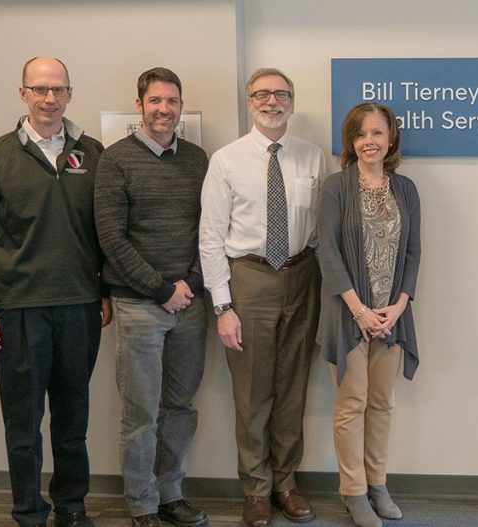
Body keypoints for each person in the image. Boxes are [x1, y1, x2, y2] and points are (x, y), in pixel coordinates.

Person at [0, 56, 110, 527]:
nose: (50, 98)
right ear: (22, 93)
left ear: (69, 93)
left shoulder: (92, 153)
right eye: (40, 89)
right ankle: (28, 512)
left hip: (80, 308)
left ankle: (72, 507)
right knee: (23, 425)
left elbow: (105, 231)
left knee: (72, 422)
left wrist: (103, 291)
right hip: (17, 311)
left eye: (59, 89)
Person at [199, 68, 327, 527]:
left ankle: (286, 484)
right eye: (262, 95)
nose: (272, 102)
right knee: (252, 394)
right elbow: (211, 237)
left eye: (281, 94)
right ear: (250, 101)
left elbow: (321, 230)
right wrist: (222, 306)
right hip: (249, 280)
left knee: (292, 390)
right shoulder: (227, 160)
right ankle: (256, 489)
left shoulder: (313, 158)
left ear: (292, 101)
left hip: (301, 276)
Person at [94, 67, 209, 527]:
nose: (165, 109)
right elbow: (111, 238)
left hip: (190, 305)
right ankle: (141, 503)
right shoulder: (115, 160)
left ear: (181, 106)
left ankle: (170, 493)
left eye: (173, 101)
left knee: (180, 407)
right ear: (139, 105)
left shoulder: (199, 159)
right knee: (141, 412)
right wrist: (162, 289)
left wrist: (192, 285)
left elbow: (210, 230)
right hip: (139, 305)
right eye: (156, 101)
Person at [316, 102, 421, 527]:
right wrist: (359, 310)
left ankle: (378, 483)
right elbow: (327, 250)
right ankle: (353, 490)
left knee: (382, 403)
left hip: (392, 317)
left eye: (377, 133)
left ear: (391, 138)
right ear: (351, 141)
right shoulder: (336, 187)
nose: (369, 142)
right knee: (351, 404)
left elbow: (414, 252)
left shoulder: (406, 189)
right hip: (347, 315)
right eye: (361, 134)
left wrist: (398, 306)